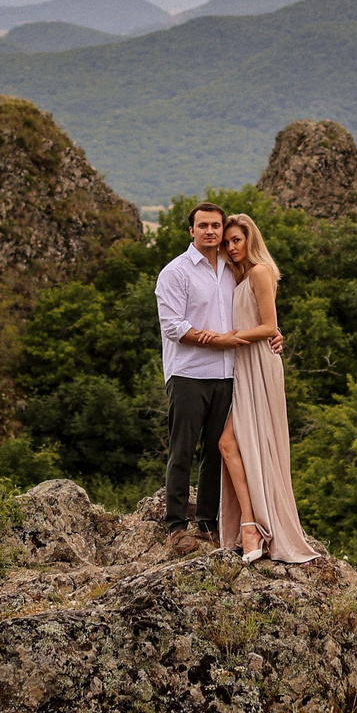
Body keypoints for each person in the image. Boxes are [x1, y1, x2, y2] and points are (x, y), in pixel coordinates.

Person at [215, 212, 320, 564]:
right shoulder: (237, 276)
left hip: (259, 363)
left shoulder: (260, 271)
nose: (231, 247)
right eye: (227, 242)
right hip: (243, 364)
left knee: (243, 442)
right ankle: (251, 524)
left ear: (250, 239)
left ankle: (255, 527)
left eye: (237, 240)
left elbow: (269, 326)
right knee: (232, 443)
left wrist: (227, 337)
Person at [154, 203, 241, 551]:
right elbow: (173, 326)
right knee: (183, 451)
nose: (210, 231)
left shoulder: (233, 270)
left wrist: (272, 332)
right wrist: (215, 340)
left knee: (217, 452)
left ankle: (207, 524)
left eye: (215, 226)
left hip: (227, 374)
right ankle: (176, 527)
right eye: (203, 225)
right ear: (191, 231)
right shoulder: (175, 272)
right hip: (188, 374)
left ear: (222, 230)